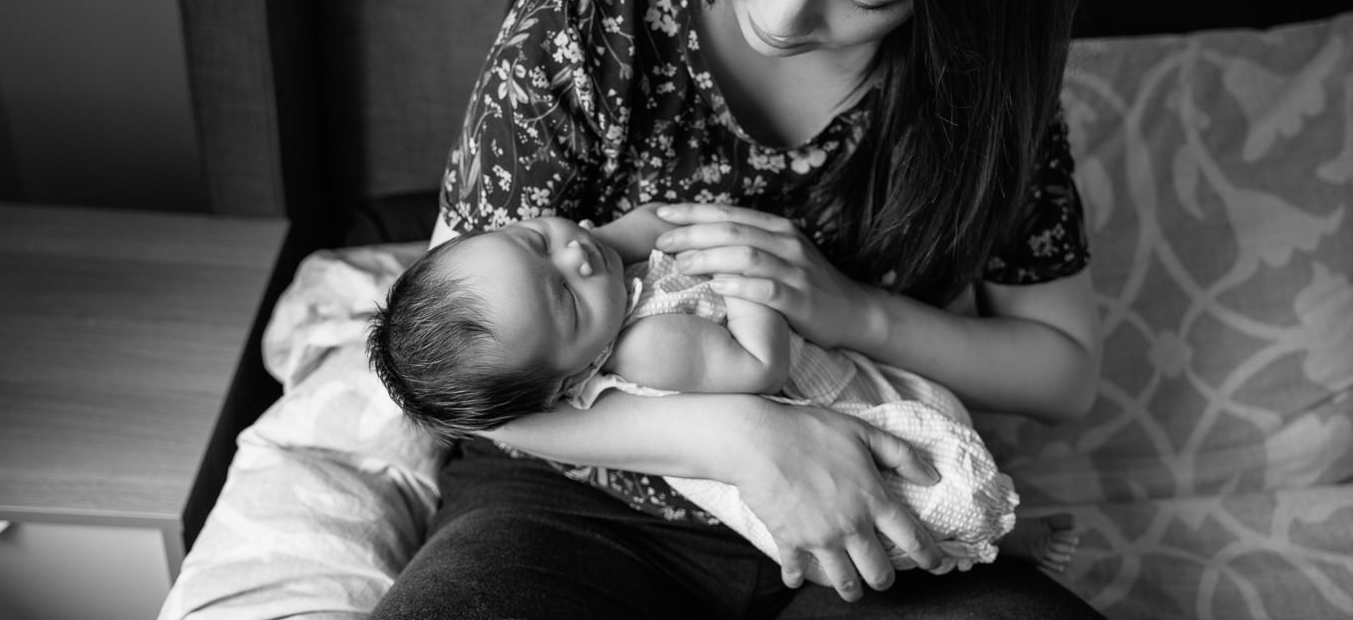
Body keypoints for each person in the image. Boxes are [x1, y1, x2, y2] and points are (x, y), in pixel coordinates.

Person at [373, 0, 1104, 618]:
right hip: (577, 511)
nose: (783, 13)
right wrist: (736, 437)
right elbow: (458, 383)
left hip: (869, 520)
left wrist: (858, 313)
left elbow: (1062, 371)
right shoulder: (590, 19)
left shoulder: (978, 91)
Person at [367, 208, 1078, 578]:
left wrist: (602, 241)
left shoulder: (601, 286)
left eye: (533, 238)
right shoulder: (650, 343)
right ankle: (1001, 539)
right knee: (923, 483)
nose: (576, 252)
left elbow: (650, 223)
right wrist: (750, 285)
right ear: (567, 381)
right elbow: (757, 368)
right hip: (823, 412)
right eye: (567, 299)